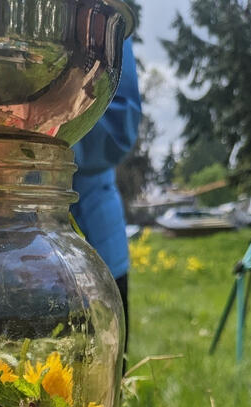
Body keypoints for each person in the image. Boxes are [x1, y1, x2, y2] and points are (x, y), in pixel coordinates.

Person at [71, 38, 141, 351]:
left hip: (98, 246)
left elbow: (120, 125)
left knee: (105, 369)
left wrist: (41, 125)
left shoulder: (106, 21)